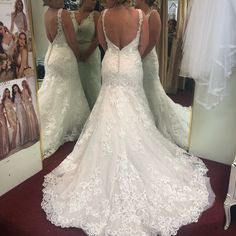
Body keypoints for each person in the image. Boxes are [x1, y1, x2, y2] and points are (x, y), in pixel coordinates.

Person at [41, 0, 214, 235]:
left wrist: (116, 53)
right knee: (135, 112)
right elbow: (143, 47)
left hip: (111, 64)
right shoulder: (139, 16)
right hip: (131, 64)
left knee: (107, 110)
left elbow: (102, 44)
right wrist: (130, 55)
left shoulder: (103, 17)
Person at [135, 0, 191, 150]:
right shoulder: (135, 13)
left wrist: (137, 57)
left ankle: (155, 125)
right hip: (135, 58)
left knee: (151, 90)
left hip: (146, 59)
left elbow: (152, 42)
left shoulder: (153, 14)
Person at [38, 0, 90, 158]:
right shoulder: (63, 14)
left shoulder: (47, 14)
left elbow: (49, 37)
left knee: (53, 89)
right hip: (64, 56)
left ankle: (42, 121)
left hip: (51, 54)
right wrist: (78, 54)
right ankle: (68, 125)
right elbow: (72, 39)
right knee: (69, 90)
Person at [71, 0, 101, 109]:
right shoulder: (72, 15)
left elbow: (98, 38)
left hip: (91, 55)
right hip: (75, 55)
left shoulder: (96, 15)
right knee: (77, 84)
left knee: (91, 86)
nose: (94, 2)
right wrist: (76, 53)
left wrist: (86, 54)